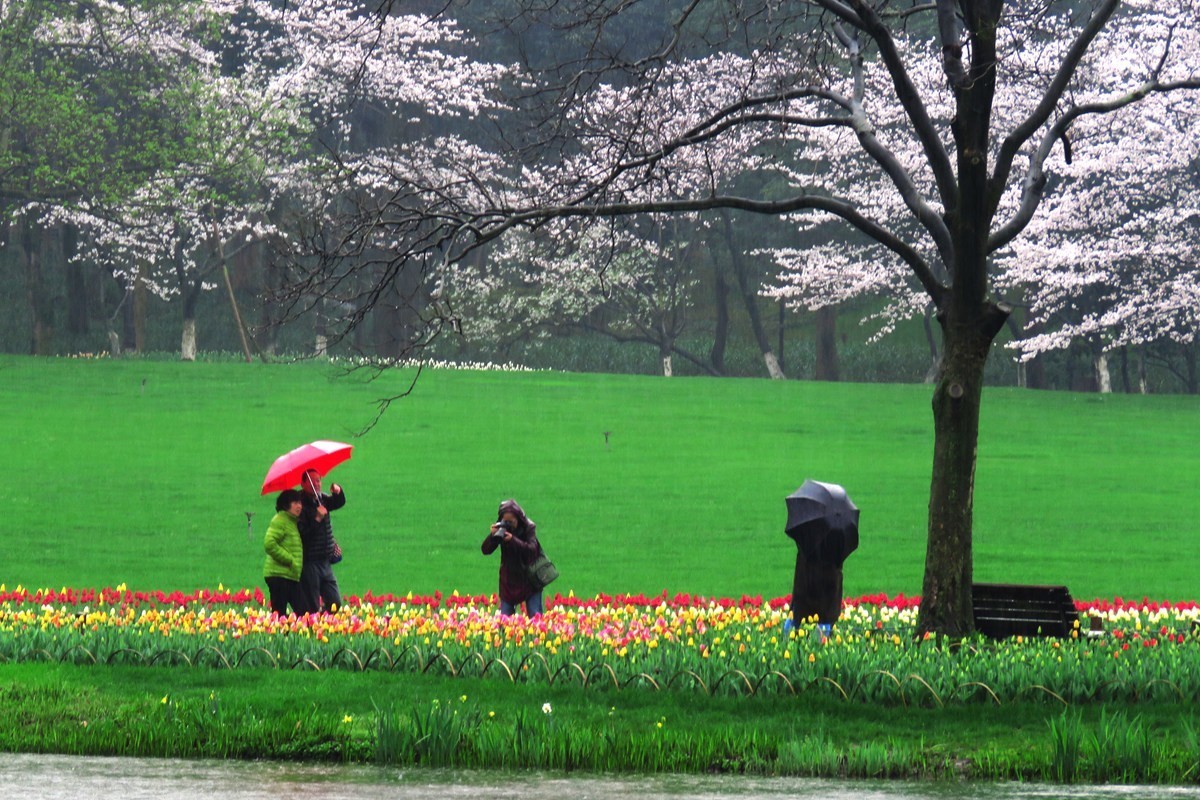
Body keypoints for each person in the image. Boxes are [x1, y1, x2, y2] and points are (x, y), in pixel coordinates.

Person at [480, 498, 545, 616]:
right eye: (506, 521)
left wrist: (513, 540)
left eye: (512, 522)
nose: (509, 525)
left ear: (518, 519)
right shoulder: (502, 529)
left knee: (535, 618)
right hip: (509, 581)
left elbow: (532, 550)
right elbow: (485, 550)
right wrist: (492, 536)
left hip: (529, 579)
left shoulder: (528, 527)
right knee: (505, 620)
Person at [297, 468, 345, 613]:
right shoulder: (299, 505)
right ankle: (311, 628)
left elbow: (338, 503)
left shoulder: (321, 499)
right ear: (303, 483)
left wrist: (338, 491)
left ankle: (322, 623)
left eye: (318, 480)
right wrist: (317, 518)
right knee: (312, 606)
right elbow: (302, 533)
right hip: (310, 562)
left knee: (335, 603)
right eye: (312, 481)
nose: (316, 484)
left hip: (325, 559)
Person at [263, 489, 305, 616]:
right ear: (286, 504)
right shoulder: (280, 520)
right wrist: (290, 560)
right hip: (278, 575)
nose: (299, 506)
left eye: (300, 502)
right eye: (295, 502)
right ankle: (280, 635)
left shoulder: (292, 521)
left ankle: (286, 635)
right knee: (281, 614)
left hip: (289, 575)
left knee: (302, 612)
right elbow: (269, 544)